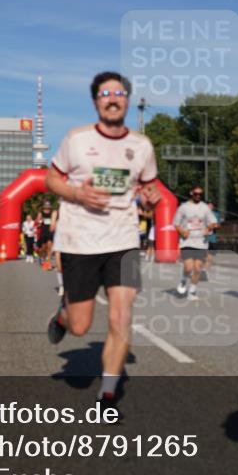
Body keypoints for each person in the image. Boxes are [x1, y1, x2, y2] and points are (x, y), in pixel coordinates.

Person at [45, 71, 160, 410]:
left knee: (121, 316)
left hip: (123, 240)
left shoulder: (142, 146)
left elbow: (147, 186)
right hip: (80, 241)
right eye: (105, 93)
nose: (113, 98)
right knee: (80, 326)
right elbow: (51, 179)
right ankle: (63, 315)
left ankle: (107, 394)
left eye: (119, 92)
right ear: (96, 101)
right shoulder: (76, 139)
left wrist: (149, 197)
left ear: (126, 99)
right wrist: (78, 193)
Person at [174, 185, 218, 301]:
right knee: (188, 267)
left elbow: (213, 222)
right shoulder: (183, 207)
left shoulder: (205, 208)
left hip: (201, 243)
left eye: (200, 194)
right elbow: (176, 224)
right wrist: (182, 231)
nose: (198, 196)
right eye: (196, 194)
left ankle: (192, 291)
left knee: (198, 268)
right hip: (187, 242)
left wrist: (209, 227)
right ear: (191, 193)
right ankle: (183, 279)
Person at [36, 200, 57, 269]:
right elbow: (37, 221)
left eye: (48, 207)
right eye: (46, 207)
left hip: (50, 232)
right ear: (43, 207)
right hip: (43, 232)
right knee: (43, 248)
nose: (47, 209)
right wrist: (38, 220)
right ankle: (42, 257)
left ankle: (48, 262)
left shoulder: (53, 213)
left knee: (49, 245)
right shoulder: (41, 213)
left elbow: (55, 222)